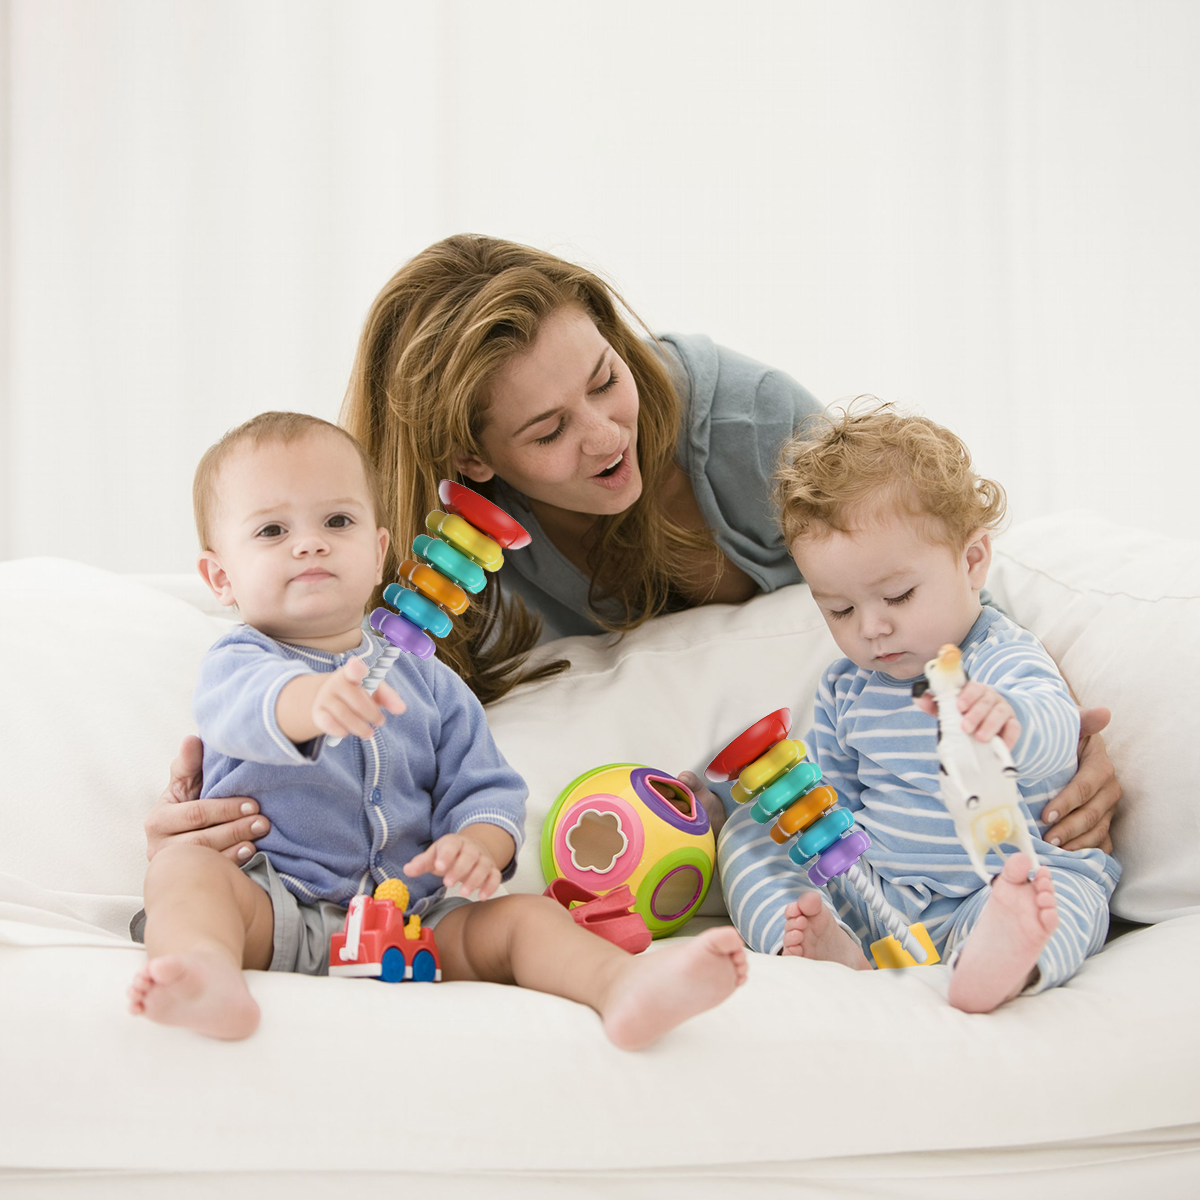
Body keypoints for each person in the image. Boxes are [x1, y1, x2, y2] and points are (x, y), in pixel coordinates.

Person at [142, 234, 1120, 877]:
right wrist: (229, 777)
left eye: (606, 379)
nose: (607, 434)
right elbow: (359, 690)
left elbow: (940, 577)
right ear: (474, 459)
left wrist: (1065, 740)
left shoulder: (750, 429)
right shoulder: (437, 549)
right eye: (550, 429)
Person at [127, 412, 747, 1046]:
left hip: (414, 920)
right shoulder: (240, 662)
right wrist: (311, 701)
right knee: (183, 874)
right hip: (274, 905)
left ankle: (622, 988)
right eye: (272, 529)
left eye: (336, 521)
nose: (308, 543)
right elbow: (243, 709)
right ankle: (205, 977)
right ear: (220, 577)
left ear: (377, 554)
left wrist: (480, 846)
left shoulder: (432, 685)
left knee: (527, 919)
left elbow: (486, 789)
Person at [712, 404, 1120, 1011]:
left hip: (996, 885)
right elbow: (830, 805)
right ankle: (825, 948)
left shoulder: (1000, 657)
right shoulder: (846, 690)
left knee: (1061, 890)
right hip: (883, 897)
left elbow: (1060, 737)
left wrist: (1007, 719)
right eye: (840, 611)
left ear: (972, 561)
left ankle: (999, 961)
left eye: (898, 595)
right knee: (751, 837)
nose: (872, 629)